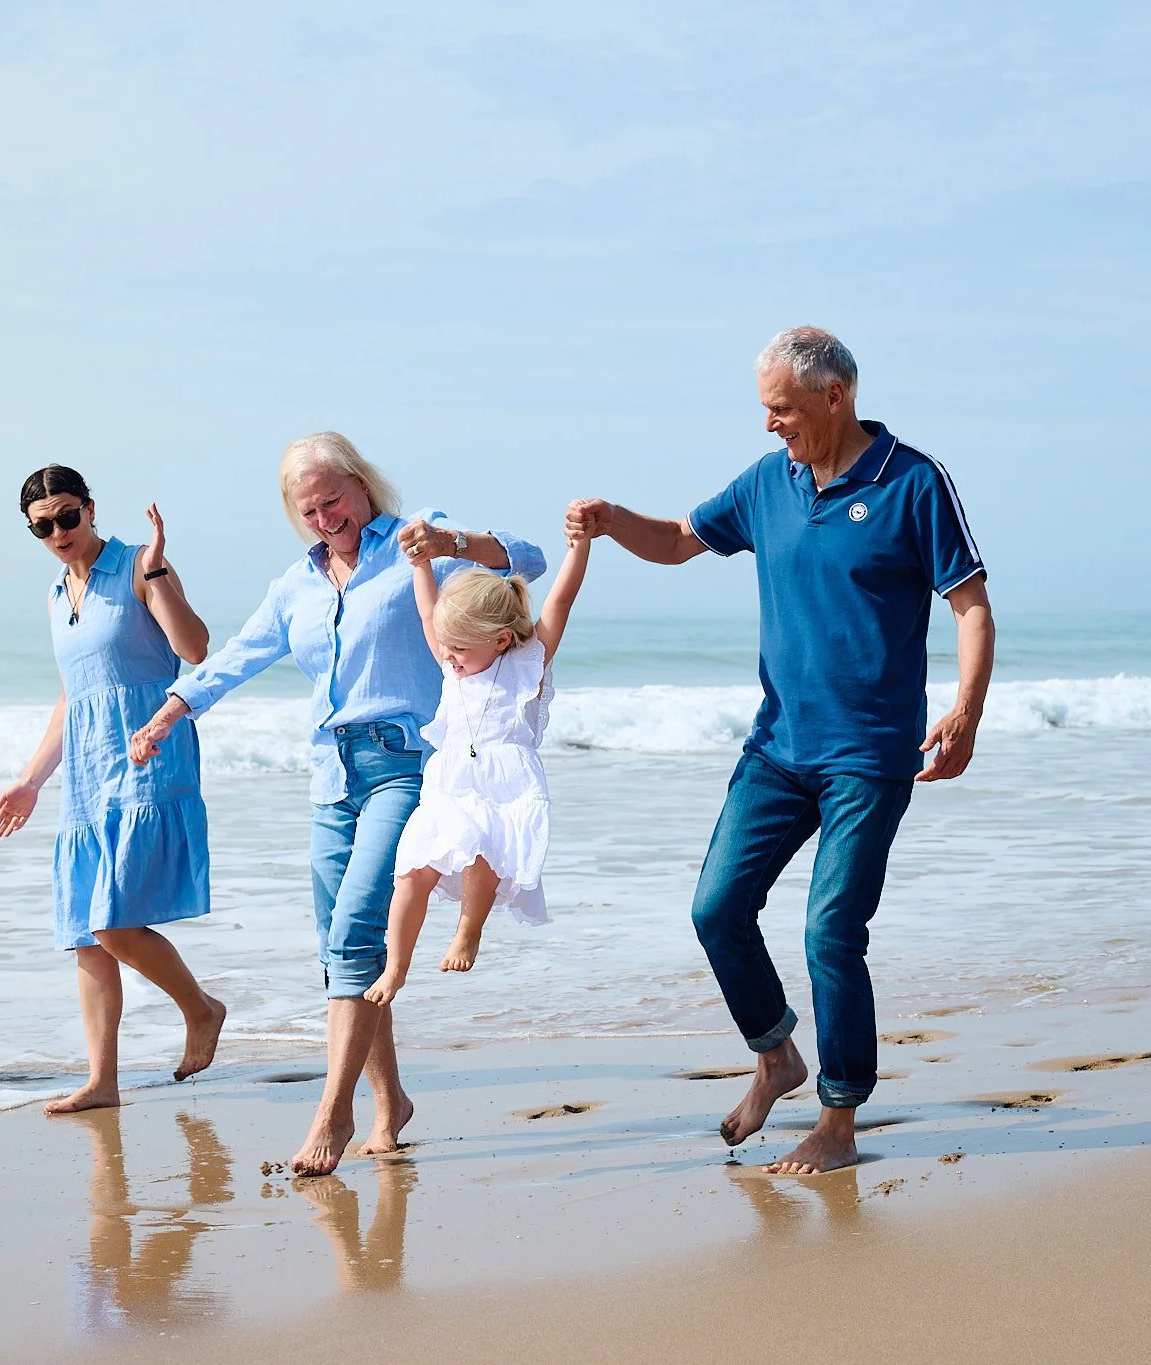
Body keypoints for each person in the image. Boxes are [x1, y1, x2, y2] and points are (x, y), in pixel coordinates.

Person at [567, 326, 995, 1175]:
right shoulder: (771, 482)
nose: (770, 425)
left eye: (781, 409)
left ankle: (839, 1119)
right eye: (766, 409)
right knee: (716, 909)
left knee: (831, 928)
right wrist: (616, 524)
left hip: (869, 757)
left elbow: (971, 607)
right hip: (777, 748)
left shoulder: (912, 481)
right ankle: (776, 1056)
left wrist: (964, 712)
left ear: (834, 397)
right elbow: (681, 538)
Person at [128, 432, 546, 1176]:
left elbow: (527, 559)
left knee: (356, 929)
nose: (325, 517)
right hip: (331, 771)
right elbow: (238, 655)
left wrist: (454, 539)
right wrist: (171, 710)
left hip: (407, 765)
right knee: (342, 950)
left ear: (361, 484)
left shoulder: (419, 543)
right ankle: (392, 1103)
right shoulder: (297, 583)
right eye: (309, 508)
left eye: (334, 500)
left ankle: (334, 1111)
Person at [0, 466, 227, 1115]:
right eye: (45, 524)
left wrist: (155, 572)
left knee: (112, 920)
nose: (60, 531)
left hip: (148, 751)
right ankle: (102, 1080)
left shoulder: (137, 565)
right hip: (88, 774)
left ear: (91, 509)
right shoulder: (54, 593)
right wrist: (31, 780)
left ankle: (201, 1008)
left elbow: (196, 647)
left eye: (69, 515)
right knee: (87, 934)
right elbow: (73, 697)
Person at [363, 525, 592, 1004]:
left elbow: (560, 604)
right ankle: (396, 967)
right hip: (449, 783)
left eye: (460, 648)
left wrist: (581, 547)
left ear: (503, 640)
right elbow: (429, 613)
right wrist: (420, 564)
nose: (449, 657)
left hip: (504, 786)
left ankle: (469, 931)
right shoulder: (452, 665)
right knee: (411, 872)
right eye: (446, 647)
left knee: (483, 857)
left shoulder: (529, 663)